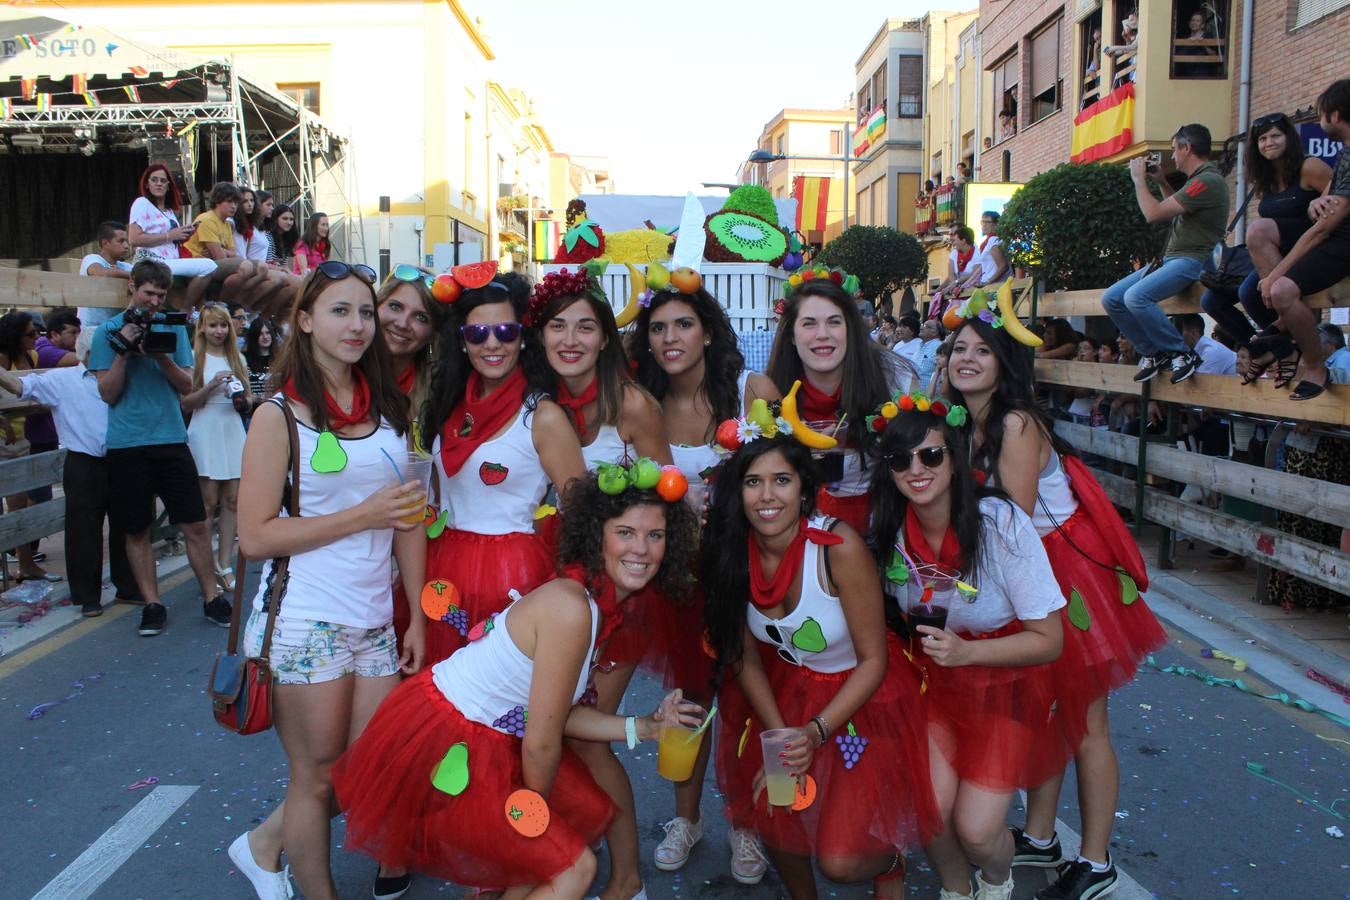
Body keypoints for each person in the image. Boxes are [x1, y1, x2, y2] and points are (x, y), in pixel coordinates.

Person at [331, 471, 702, 898]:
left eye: (655, 535)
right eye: (625, 532)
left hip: (486, 731)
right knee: (573, 870)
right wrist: (521, 842)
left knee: (555, 850)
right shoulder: (572, 609)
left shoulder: (594, 602)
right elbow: (541, 745)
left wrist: (648, 726)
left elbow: (558, 716)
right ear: (596, 535)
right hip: (452, 739)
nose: (641, 548)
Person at [945, 315, 1165, 900]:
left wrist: (955, 589)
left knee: (1087, 722)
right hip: (1024, 570)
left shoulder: (1015, 423)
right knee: (1047, 711)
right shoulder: (967, 420)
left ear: (1004, 364)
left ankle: (1095, 863)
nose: (966, 357)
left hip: (1060, 575)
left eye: (981, 351)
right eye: (958, 348)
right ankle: (1041, 837)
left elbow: (1006, 520)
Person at [225, 260, 426, 900]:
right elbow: (254, 535)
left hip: (374, 620)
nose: (358, 325)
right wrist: (360, 515)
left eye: (366, 312)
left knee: (370, 764)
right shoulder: (278, 417)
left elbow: (408, 519)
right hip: (306, 618)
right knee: (314, 777)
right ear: (306, 321)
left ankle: (261, 843)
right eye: (340, 310)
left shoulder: (390, 411)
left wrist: (417, 614)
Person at [704, 428, 939, 899]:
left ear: (805, 489)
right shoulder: (730, 552)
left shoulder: (838, 548)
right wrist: (780, 741)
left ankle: (890, 861)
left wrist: (813, 733)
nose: (767, 496)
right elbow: (743, 657)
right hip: (789, 692)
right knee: (778, 814)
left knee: (841, 862)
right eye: (753, 482)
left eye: (782, 480)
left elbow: (874, 660)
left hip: (862, 695)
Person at [868, 402, 1065, 900]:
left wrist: (967, 654)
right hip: (933, 685)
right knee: (931, 809)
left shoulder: (1000, 524)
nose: (916, 470)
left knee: (978, 832)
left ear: (954, 459)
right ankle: (957, 891)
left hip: (1002, 684)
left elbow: (1050, 639)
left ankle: (996, 879)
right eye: (900, 459)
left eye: (931, 455)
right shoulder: (889, 533)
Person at [523, 266, 672, 900]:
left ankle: (629, 876)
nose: (572, 339)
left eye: (587, 326)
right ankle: (564, 851)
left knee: (586, 731)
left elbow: (668, 496)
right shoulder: (533, 403)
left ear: (607, 339)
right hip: (555, 591)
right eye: (558, 326)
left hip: (624, 598)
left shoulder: (633, 404)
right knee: (555, 728)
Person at [626, 284, 779, 881]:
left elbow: (782, 474)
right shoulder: (642, 403)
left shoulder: (751, 392)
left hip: (752, 570)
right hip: (684, 577)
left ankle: (747, 827)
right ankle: (686, 820)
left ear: (708, 332)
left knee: (746, 703)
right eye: (658, 328)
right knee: (690, 700)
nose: (670, 339)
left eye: (683, 325)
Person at [412, 271, 585, 665]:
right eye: (478, 334)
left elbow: (580, 511)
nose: (492, 344)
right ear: (462, 341)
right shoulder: (449, 406)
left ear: (523, 338)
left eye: (505, 331)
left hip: (512, 574)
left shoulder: (543, 416)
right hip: (443, 568)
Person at [86, 259, 234, 635]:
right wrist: (124, 351)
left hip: (170, 439)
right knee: (136, 529)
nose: (154, 301)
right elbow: (107, 393)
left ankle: (211, 596)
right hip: (127, 443)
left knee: (196, 524)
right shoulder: (107, 332)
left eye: (161, 294)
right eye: (148, 292)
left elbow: (187, 386)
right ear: (132, 288)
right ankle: (152, 604)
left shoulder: (173, 326)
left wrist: (159, 354)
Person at [0, 329, 141, 615]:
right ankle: (87, 596)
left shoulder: (124, 375)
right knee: (83, 530)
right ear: (88, 353)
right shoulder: (62, 380)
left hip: (123, 456)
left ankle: (128, 586)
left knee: (127, 524)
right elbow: (20, 388)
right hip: (83, 461)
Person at [765, 277, 917, 535]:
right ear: (791, 335)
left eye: (834, 322)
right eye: (809, 323)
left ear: (850, 330)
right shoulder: (770, 395)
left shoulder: (894, 381)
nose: (822, 334)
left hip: (883, 534)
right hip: (798, 537)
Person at [1101, 124, 1228, 385]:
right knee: (1111, 298)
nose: (1172, 157)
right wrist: (1160, 181)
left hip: (1191, 260)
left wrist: (1138, 180)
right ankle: (1153, 351)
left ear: (1187, 148)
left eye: (1174, 150)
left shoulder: (1207, 181)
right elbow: (1176, 208)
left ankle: (1180, 353)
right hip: (1172, 260)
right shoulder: (1199, 181)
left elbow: (1154, 214)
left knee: (1136, 297)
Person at [1211, 112, 1331, 385]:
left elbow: (1338, 199)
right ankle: (1282, 345)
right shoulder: (1264, 180)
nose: (1268, 143)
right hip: (1279, 253)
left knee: (1258, 231)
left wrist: (1318, 204)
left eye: (1275, 136)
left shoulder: (1309, 166)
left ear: (1289, 137)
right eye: (1262, 139)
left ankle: (1282, 341)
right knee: (1245, 294)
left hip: (1310, 248)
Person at [1254, 80, 1350, 401]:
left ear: (1335, 116)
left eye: (1321, 114)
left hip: (1339, 243)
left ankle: (1313, 367)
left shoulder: (1320, 163)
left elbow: (1323, 229)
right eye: (1262, 138)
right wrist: (1315, 203)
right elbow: (1328, 206)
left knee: (1276, 288)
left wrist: (1274, 275)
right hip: (1332, 240)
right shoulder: (1346, 155)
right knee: (1271, 289)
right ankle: (1295, 344)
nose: (1320, 121)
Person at [182, 304, 251, 594]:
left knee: (234, 501)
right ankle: (207, 566)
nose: (219, 331)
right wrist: (211, 386)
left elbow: (248, 400)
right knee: (207, 503)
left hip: (232, 428)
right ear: (202, 328)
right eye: (213, 325)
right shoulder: (193, 358)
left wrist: (242, 400)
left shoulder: (238, 358)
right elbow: (186, 403)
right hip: (205, 430)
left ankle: (225, 564)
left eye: (223, 325)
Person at [0, 311, 62, 583]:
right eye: (30, 333)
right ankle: (18, 566)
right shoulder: (2, 359)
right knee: (15, 505)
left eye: (38, 332)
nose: (37, 337)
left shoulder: (32, 358)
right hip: (5, 441)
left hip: (23, 438)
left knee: (22, 507)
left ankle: (26, 564)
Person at [377, 264, 446, 411]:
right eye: (395, 307)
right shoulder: (341, 372)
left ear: (433, 332)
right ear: (375, 306)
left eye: (421, 317)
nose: (402, 324)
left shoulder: (442, 392)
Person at [929, 227, 978, 321]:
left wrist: (957, 284)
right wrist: (951, 286)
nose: (952, 241)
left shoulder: (977, 251)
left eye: (954, 238)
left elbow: (975, 272)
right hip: (959, 290)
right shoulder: (954, 253)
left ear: (963, 240)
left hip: (970, 291)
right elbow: (951, 275)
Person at [960, 212, 1010, 290]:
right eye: (982, 222)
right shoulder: (988, 242)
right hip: (987, 286)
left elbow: (1003, 266)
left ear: (996, 224)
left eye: (987, 222)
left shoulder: (994, 240)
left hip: (995, 288)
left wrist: (987, 282)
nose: (983, 225)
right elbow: (981, 268)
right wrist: (965, 285)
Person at [244, 317, 278, 400]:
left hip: (277, 407)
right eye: (260, 334)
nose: (265, 337)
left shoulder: (281, 357)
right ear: (253, 336)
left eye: (268, 333)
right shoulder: (243, 358)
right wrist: (256, 398)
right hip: (251, 409)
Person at [265, 203, 300, 272]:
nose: (289, 222)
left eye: (291, 219)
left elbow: (284, 265)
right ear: (275, 219)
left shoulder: (286, 239)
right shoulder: (268, 237)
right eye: (285, 219)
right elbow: (268, 263)